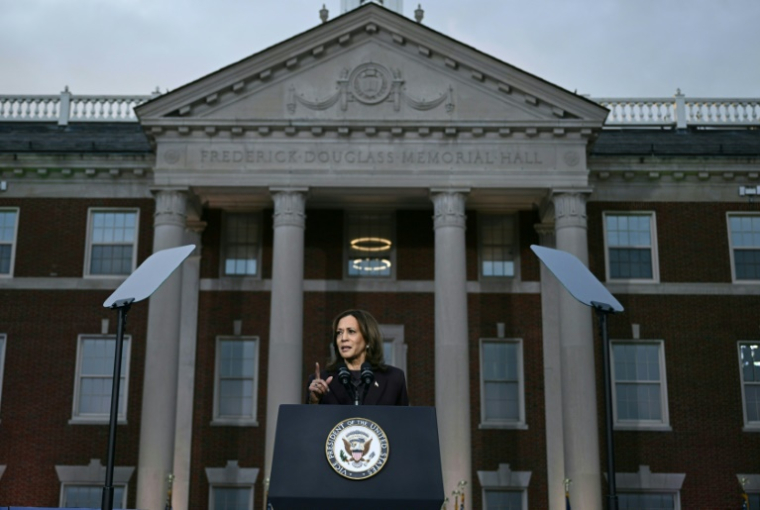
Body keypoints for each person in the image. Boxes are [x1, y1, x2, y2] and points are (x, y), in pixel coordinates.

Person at [307, 309, 409, 406]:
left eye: (351, 331)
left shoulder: (394, 379)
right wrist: (314, 401)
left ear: (368, 339)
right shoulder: (321, 382)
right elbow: (308, 422)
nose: (343, 338)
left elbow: (403, 421)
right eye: (339, 333)